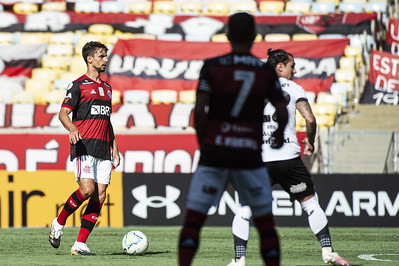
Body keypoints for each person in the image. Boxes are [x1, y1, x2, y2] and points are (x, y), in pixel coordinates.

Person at [178, 12, 288, 266]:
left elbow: (200, 110)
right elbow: (281, 111)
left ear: (227, 36)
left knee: (194, 221)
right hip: (249, 155)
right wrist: (280, 135)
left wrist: (204, 143)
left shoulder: (212, 66)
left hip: (215, 153)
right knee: (265, 225)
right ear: (254, 37)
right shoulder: (265, 71)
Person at [228, 49, 351, 266]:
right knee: (311, 205)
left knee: (244, 210)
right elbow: (310, 119)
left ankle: (239, 260)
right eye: (292, 65)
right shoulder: (294, 88)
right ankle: (328, 252)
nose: (295, 70)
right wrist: (310, 142)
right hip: (288, 159)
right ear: (279, 67)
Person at [49, 41, 120, 256]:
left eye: (105, 56)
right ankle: (59, 221)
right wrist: (71, 128)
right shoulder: (78, 85)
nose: (105, 60)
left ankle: (80, 244)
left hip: (103, 147)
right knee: (87, 190)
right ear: (90, 59)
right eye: (101, 56)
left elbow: (107, 121)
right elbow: (63, 113)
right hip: (84, 144)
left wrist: (115, 147)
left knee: (100, 195)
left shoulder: (107, 89)